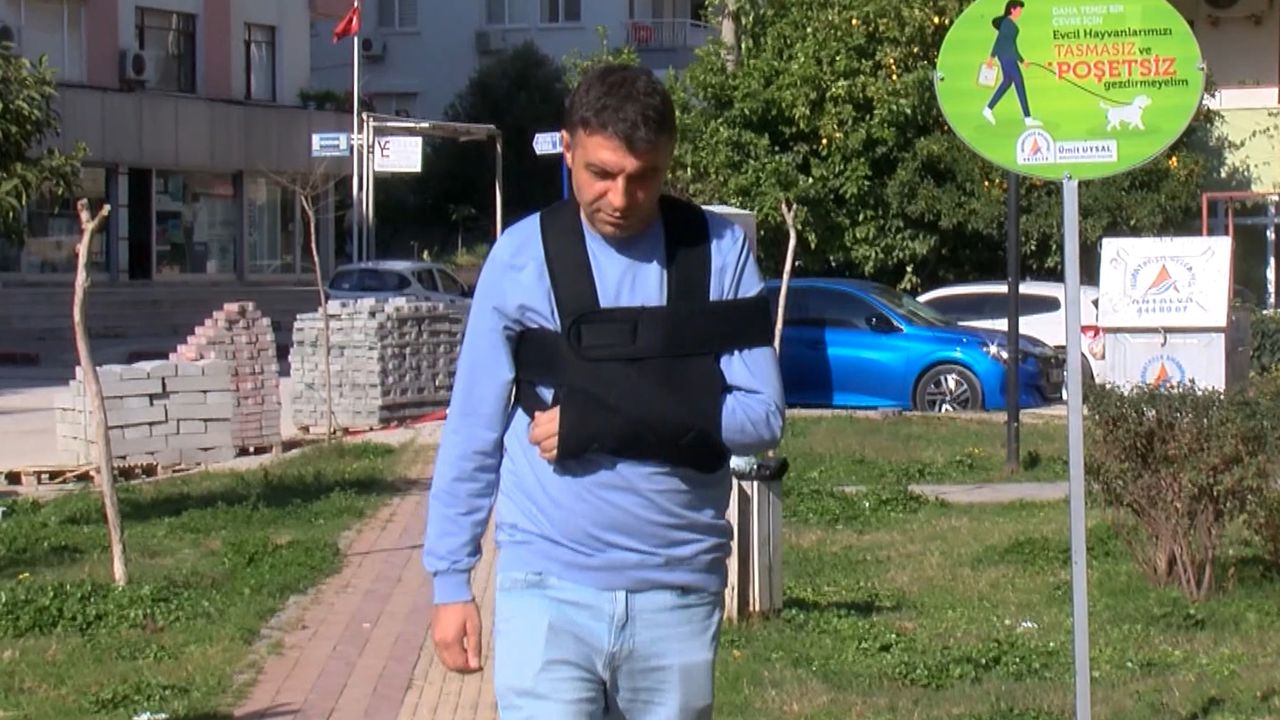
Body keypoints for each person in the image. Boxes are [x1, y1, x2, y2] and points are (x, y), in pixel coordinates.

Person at [422, 63, 785, 719]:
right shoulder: (520, 257)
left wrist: (604, 418)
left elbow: (762, 418)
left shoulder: (718, 253)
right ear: (568, 148)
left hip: (677, 587)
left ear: (669, 159)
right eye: (602, 173)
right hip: (546, 583)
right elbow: (473, 427)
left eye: (644, 177)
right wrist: (451, 580)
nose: (621, 198)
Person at [983, 0, 1043, 128]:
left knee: (1007, 82)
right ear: (1012, 9)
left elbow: (1012, 45)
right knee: (1019, 82)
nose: (1020, 12)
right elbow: (1000, 41)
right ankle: (1028, 118)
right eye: (1019, 9)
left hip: (1007, 56)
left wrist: (1022, 60)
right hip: (1007, 57)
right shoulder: (1007, 24)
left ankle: (988, 109)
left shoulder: (1009, 24)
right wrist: (991, 57)